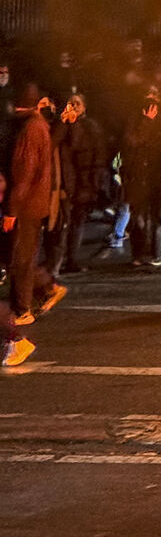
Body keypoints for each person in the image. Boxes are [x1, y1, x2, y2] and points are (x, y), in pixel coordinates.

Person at [2, 86, 67, 366]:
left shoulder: (29, 129)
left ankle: (19, 320)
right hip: (30, 203)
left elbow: (24, 171)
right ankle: (40, 293)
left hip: (26, 205)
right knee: (20, 256)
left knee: (21, 257)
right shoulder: (35, 126)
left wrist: (12, 209)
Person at [44, 94, 107, 274]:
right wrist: (65, 124)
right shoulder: (59, 126)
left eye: (77, 104)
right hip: (64, 183)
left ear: (84, 107)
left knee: (76, 223)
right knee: (60, 225)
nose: (74, 107)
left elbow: (93, 154)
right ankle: (55, 263)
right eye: (71, 103)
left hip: (83, 182)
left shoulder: (91, 128)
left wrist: (94, 183)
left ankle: (71, 259)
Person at [121, 96, 161, 267]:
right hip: (139, 177)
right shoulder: (135, 123)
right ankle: (140, 254)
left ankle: (159, 252)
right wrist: (146, 122)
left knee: (160, 217)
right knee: (139, 219)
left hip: (158, 176)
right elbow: (132, 141)